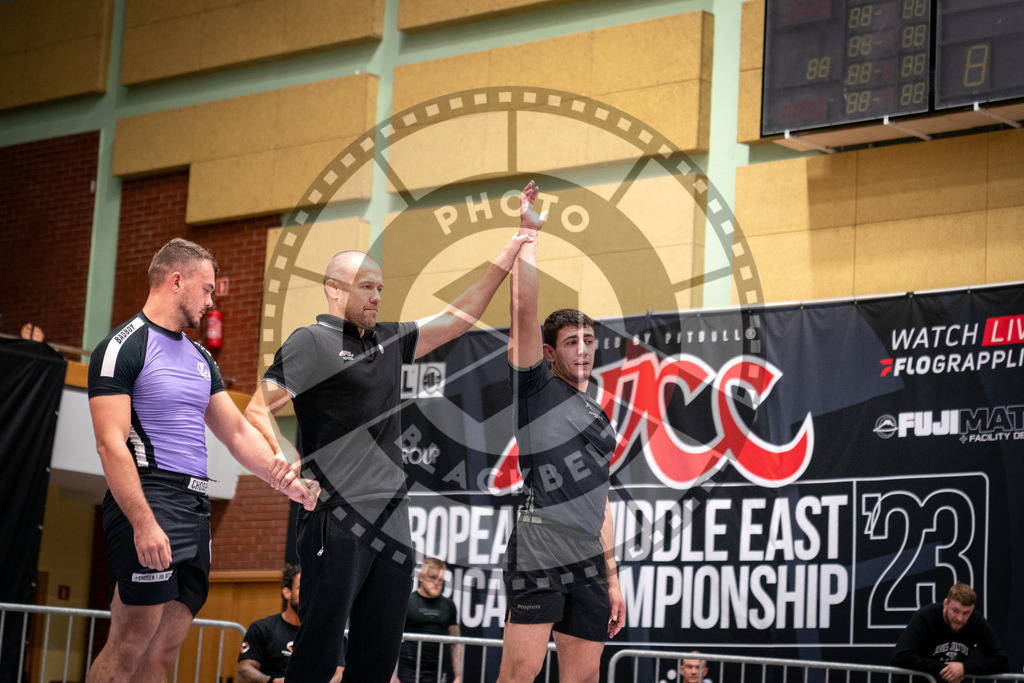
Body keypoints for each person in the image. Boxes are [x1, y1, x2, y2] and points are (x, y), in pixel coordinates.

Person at [244, 218, 535, 681]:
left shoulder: (390, 341)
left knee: (377, 660)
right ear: (334, 291)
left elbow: (461, 315)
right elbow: (257, 411)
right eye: (365, 287)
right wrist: (285, 460)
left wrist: (512, 247)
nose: (377, 295)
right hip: (336, 516)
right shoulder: (311, 342)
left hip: (394, 522)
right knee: (317, 655)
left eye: (380, 287)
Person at [86, 238, 319, 683]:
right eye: (207, 289)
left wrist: (284, 482)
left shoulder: (200, 358)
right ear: (177, 280)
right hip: (151, 495)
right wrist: (143, 522)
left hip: (195, 507)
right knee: (130, 642)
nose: (211, 301)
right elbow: (110, 444)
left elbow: (234, 433)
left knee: (163, 652)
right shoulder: (122, 347)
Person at [496, 181, 626, 683]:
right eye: (571, 341)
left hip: (589, 554)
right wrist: (528, 236)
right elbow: (524, 312)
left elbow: (604, 499)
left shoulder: (599, 413)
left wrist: (612, 579)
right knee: (520, 671)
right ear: (549, 352)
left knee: (585, 677)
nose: (583, 349)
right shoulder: (536, 387)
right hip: (541, 542)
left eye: (589, 340)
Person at [237, 565, 343, 683]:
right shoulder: (263, 628)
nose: (310, 594)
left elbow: (340, 673)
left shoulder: (329, 634)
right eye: (303, 588)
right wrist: (273, 681)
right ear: (287, 593)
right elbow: (244, 671)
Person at [890, 582, 1009, 683]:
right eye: (955, 610)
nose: (959, 618)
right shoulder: (926, 617)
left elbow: (1002, 662)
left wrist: (963, 668)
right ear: (946, 604)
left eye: (966, 613)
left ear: (972, 609)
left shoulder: (976, 621)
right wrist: (945, 669)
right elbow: (900, 656)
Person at [396, 558, 461, 683]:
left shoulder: (449, 605)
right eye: (432, 577)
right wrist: (393, 675)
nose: (437, 583)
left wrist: (458, 676)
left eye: (441, 579)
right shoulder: (407, 602)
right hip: (408, 669)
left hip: (437, 671)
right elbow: (393, 639)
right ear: (421, 577)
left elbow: (456, 642)